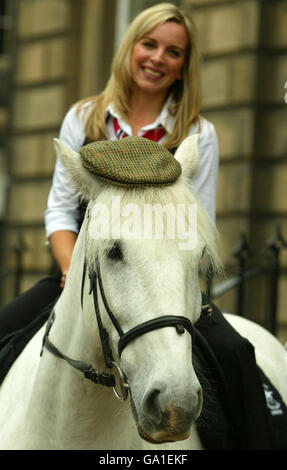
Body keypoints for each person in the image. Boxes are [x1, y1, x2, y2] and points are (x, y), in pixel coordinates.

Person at [0, 2, 285, 450]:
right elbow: (58, 211)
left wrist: (173, 278)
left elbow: (198, 225)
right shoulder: (84, 118)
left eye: (173, 52)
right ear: (128, 49)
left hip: (166, 287)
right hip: (79, 277)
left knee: (237, 356)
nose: (158, 58)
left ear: (183, 67)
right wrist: (75, 271)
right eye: (148, 44)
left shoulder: (197, 132)